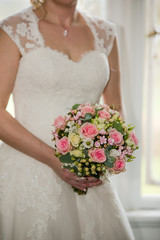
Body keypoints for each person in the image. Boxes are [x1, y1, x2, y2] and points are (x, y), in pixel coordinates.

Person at [0, 0, 135, 239]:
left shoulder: (105, 32)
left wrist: (102, 157)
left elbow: (114, 109)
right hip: (27, 173)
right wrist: (55, 160)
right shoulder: (13, 29)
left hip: (88, 176)